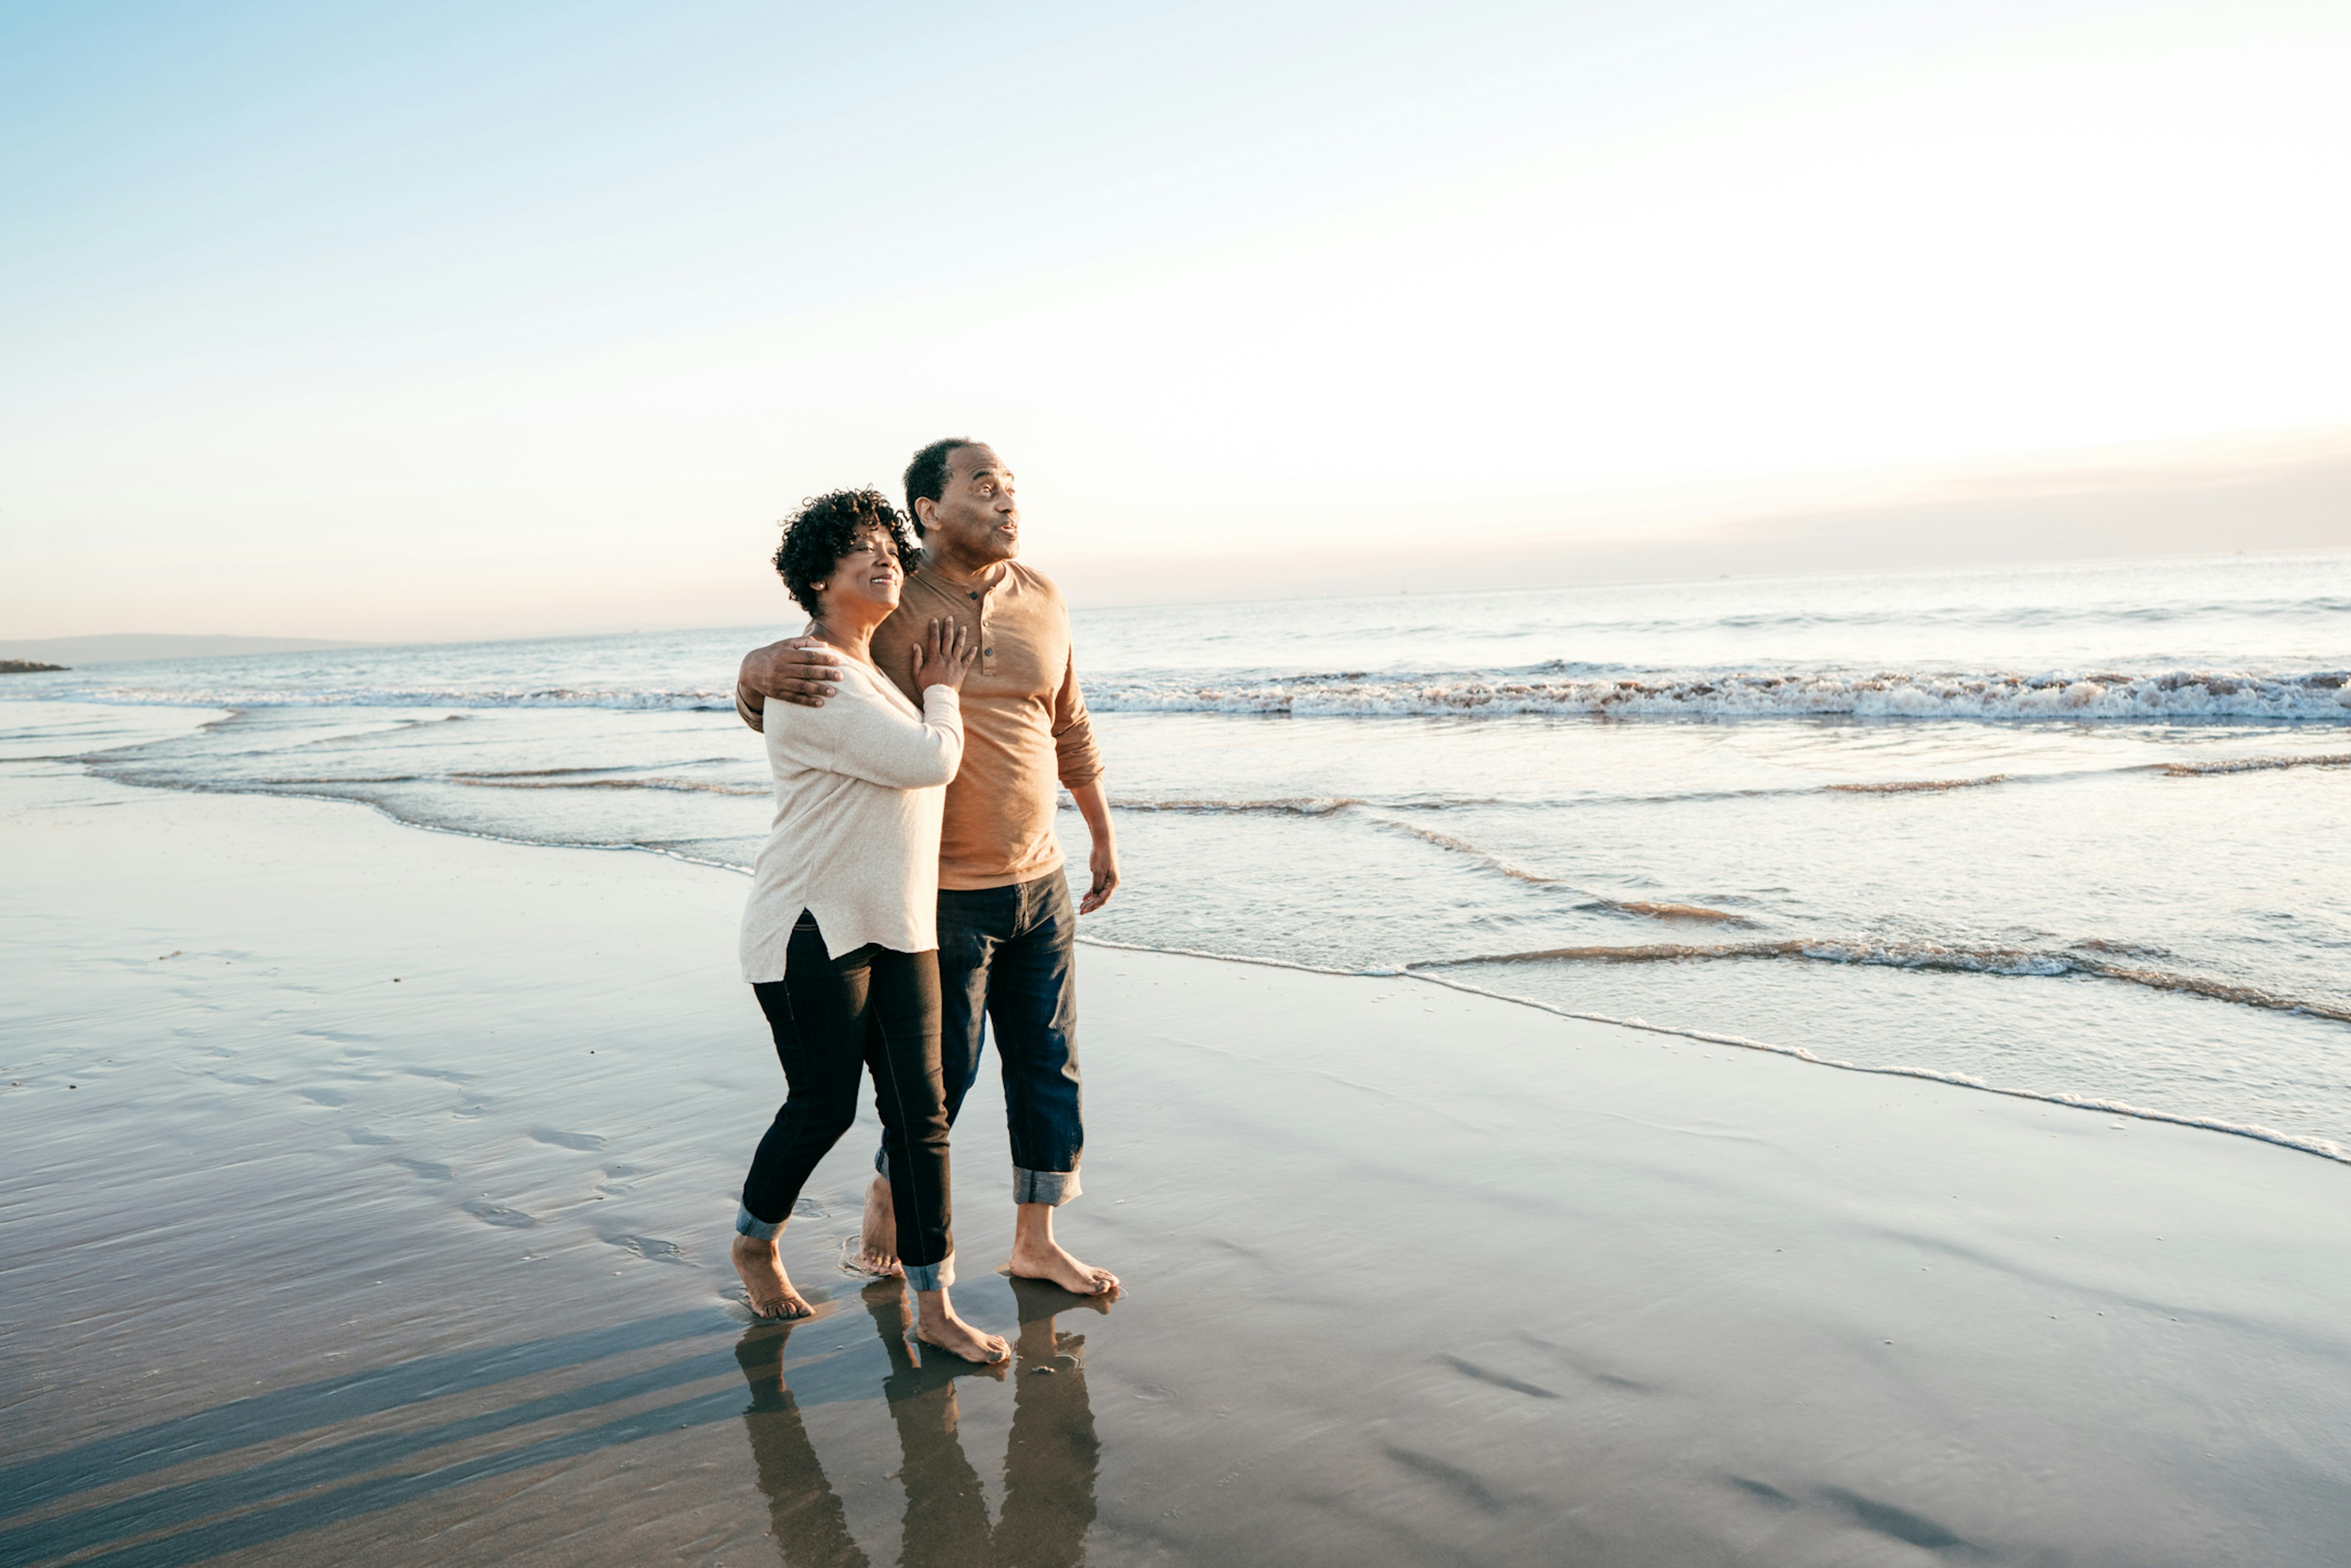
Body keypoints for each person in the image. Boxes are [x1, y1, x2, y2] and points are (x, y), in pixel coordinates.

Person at [737, 439, 1120, 1298]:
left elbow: (1070, 720)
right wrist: (751, 671)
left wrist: (1100, 832)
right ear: (930, 511)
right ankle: (890, 1188)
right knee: (942, 1077)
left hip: (1040, 874)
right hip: (942, 892)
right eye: (985, 487)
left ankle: (1037, 1240)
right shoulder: (897, 599)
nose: (1007, 501)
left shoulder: (1044, 598)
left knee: (1049, 1063)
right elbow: (807, 674)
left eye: (1013, 487)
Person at [730, 486, 1007, 1365]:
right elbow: (929, 761)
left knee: (920, 1116)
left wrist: (921, 686)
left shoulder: (870, 674)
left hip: (899, 924)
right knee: (823, 1107)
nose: (886, 552)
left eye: (891, 540)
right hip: (810, 926)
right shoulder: (812, 675)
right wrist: (944, 689)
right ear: (817, 576)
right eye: (863, 545)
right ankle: (755, 1241)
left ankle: (933, 1302)